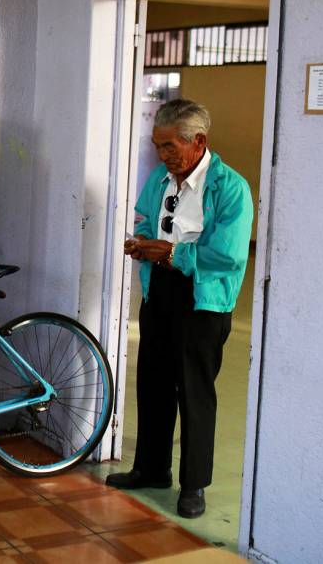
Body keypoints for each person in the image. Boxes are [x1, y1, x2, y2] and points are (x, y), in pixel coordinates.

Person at [105, 99, 253, 519]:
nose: (162, 155)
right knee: (152, 384)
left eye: (169, 147)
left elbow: (227, 255)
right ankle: (152, 469)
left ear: (198, 141)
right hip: (160, 292)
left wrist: (170, 253)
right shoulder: (159, 178)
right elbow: (146, 219)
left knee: (194, 392)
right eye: (157, 146)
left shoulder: (230, 188)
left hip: (203, 300)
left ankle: (194, 485)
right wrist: (142, 242)